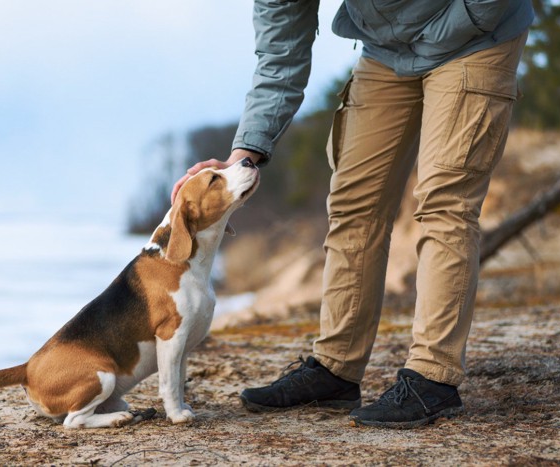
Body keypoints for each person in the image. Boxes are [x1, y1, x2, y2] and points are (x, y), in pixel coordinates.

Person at [171, 0, 533, 429]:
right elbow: (279, 58)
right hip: (386, 51)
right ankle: (336, 369)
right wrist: (241, 159)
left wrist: (461, 22)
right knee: (352, 204)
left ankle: (433, 377)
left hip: (476, 35)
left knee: (444, 204)